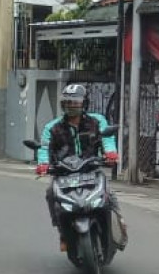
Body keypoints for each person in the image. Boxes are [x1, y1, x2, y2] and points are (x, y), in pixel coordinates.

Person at [35, 84, 125, 240]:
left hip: (90, 169)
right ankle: (62, 230)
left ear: (84, 103)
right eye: (68, 102)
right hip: (64, 172)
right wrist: (43, 164)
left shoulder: (97, 121)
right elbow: (44, 147)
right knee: (51, 193)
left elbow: (107, 138)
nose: (71, 106)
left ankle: (120, 224)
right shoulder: (52, 127)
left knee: (108, 194)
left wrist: (110, 153)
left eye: (75, 102)